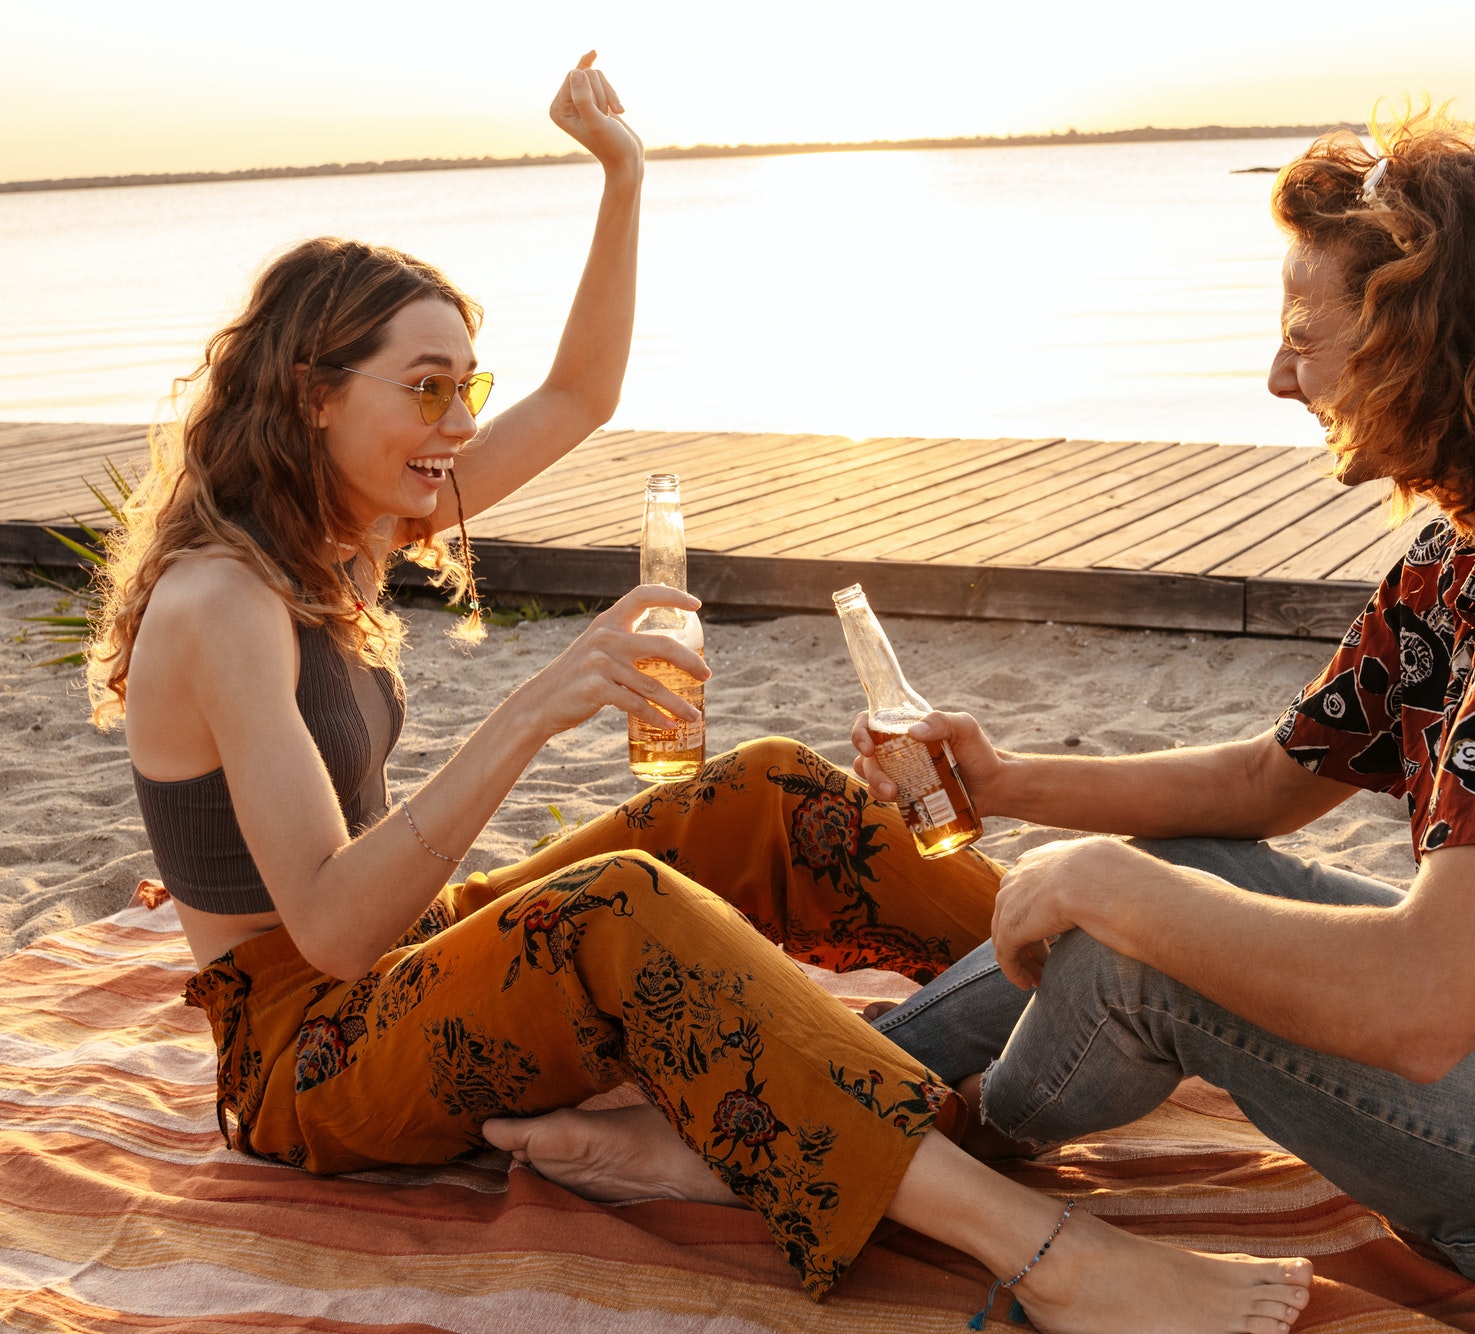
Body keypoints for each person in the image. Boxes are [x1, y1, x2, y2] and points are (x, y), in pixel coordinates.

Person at [86, 54, 1313, 1334]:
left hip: (401, 964)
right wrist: (533, 708)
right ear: (311, 393)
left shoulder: (343, 527)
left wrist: (623, 172)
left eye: (466, 384)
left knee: (765, 791)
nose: (456, 419)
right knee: (621, 906)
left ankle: (1082, 971)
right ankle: (1052, 1256)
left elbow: (580, 394)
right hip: (308, 1053)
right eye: (426, 385)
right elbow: (333, 932)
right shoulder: (221, 600)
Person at [840, 112, 1475, 1319]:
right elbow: (1265, 789)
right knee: (1190, 869)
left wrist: (1097, 885)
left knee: (1138, 937)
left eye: (1300, 338)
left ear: (1418, 344)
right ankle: (866, 1083)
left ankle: (910, 1144)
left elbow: (1419, 1006)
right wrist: (1004, 779)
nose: (1278, 378)